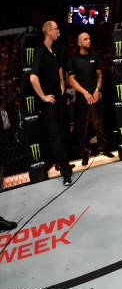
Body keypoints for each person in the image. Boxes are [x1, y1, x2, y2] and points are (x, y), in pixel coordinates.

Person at [29, 20, 74, 185]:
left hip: (58, 99)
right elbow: (33, 78)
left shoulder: (53, 50)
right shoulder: (40, 51)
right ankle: (66, 173)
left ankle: (63, 164)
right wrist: (43, 97)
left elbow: (58, 67)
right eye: (56, 29)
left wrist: (62, 81)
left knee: (62, 134)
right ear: (48, 31)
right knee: (55, 137)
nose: (59, 32)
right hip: (49, 104)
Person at [66, 32, 114, 165]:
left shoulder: (95, 57)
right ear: (79, 43)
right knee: (83, 127)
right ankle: (85, 152)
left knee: (99, 124)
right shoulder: (73, 60)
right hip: (82, 98)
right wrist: (85, 93)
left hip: (95, 96)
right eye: (85, 39)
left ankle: (103, 148)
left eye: (89, 38)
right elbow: (71, 80)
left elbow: (99, 75)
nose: (89, 41)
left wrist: (97, 90)